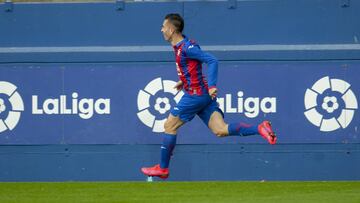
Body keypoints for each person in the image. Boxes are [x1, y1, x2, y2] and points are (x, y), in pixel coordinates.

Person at [141, 13, 277, 179]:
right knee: (220, 130)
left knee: (170, 125)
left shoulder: (186, 48)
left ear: (171, 29)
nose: (161, 30)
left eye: (163, 26)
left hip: (195, 95)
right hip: (202, 95)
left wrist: (212, 85)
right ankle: (260, 128)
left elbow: (212, 60)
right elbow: (193, 67)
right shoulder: (180, 47)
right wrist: (184, 81)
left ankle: (162, 168)